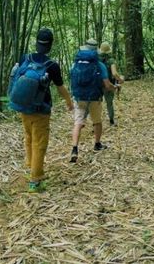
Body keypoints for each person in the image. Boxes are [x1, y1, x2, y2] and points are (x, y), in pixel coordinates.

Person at [8, 28, 73, 193]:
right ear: (50, 45)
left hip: (24, 107)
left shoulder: (25, 58)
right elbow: (60, 87)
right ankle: (35, 179)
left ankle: (31, 166)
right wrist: (69, 101)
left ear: (36, 42)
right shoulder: (52, 65)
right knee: (40, 142)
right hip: (41, 109)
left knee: (29, 137)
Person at [69, 39, 116, 163]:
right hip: (95, 97)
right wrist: (114, 87)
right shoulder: (98, 64)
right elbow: (106, 84)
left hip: (79, 97)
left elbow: (72, 79)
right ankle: (97, 144)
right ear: (96, 51)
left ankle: (74, 149)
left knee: (78, 122)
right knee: (97, 121)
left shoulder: (75, 63)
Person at [98, 42, 124, 126]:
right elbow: (114, 73)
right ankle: (111, 121)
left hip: (98, 85)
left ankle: (96, 123)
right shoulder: (111, 60)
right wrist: (120, 79)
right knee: (109, 103)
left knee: (97, 103)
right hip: (109, 85)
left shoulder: (96, 60)